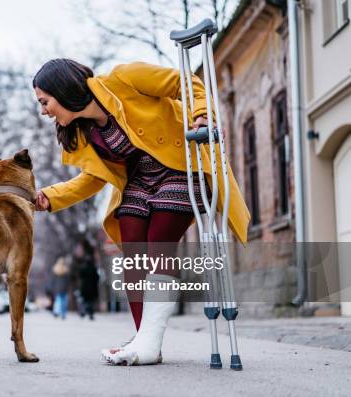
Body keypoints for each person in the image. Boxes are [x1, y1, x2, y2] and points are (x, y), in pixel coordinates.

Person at [32, 59, 250, 365]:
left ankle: (147, 342)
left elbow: (184, 84)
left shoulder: (124, 79)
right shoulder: (82, 133)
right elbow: (92, 180)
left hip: (179, 163)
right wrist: (48, 197)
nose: (44, 111)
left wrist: (202, 116)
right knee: (131, 245)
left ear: (62, 89)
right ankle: (144, 341)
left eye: (45, 102)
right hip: (141, 179)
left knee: (159, 240)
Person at [71, 239, 99, 320]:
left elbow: (79, 276)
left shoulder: (82, 267)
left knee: (84, 300)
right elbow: (97, 277)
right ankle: (90, 313)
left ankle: (83, 311)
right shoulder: (94, 268)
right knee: (91, 301)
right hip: (92, 287)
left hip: (84, 287)